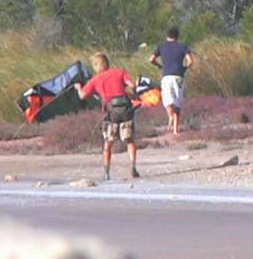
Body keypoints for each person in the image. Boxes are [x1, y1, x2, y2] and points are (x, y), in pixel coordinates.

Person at [74, 52, 139, 180]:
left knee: (108, 143)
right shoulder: (120, 72)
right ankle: (133, 166)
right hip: (125, 110)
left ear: (96, 65)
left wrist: (78, 88)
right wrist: (127, 91)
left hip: (111, 112)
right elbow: (133, 85)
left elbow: (82, 95)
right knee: (130, 140)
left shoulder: (95, 79)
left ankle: (107, 172)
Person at [149, 28, 194, 135]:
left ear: (167, 36)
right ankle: (175, 130)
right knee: (177, 102)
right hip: (178, 76)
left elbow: (151, 59)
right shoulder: (183, 46)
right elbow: (191, 61)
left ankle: (170, 116)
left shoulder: (161, 46)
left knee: (168, 100)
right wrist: (184, 68)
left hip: (167, 76)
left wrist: (159, 66)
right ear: (177, 36)